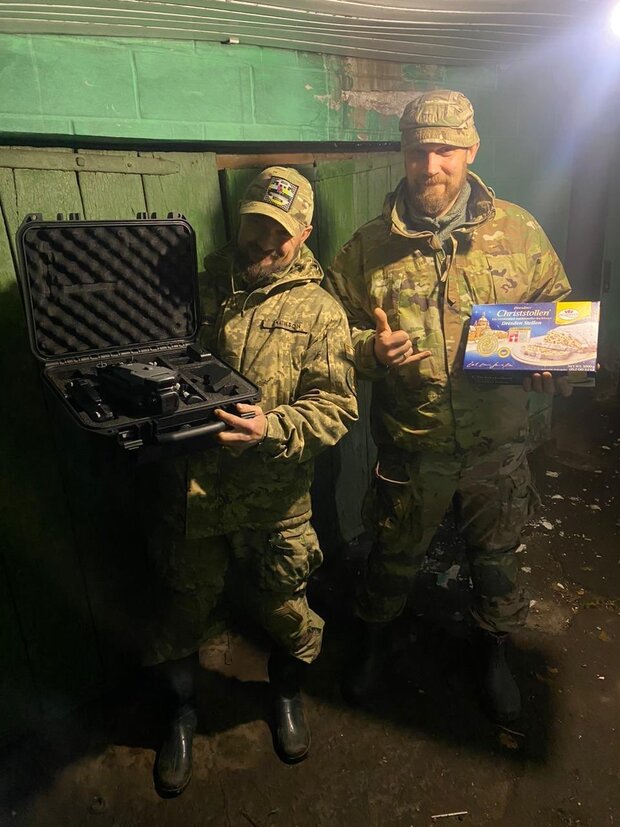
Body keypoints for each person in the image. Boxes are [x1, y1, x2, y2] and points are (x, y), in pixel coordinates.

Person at [325, 90, 571, 723]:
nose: (429, 167)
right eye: (415, 152)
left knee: (495, 560)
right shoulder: (366, 248)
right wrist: (369, 351)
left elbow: (556, 312)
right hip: (412, 445)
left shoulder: (517, 231)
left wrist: (552, 358)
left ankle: (494, 653)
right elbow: (329, 337)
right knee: (391, 558)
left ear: (471, 150)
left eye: (444, 151)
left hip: (496, 447)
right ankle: (374, 645)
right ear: (401, 156)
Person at [146, 167, 358, 795]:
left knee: (287, 609)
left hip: (276, 501)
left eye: (282, 234)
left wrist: (273, 427)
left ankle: (285, 698)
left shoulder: (321, 312)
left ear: (306, 233)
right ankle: (182, 716)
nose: (266, 242)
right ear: (239, 221)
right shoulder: (193, 289)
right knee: (181, 611)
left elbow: (336, 407)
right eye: (256, 226)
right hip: (193, 496)